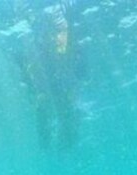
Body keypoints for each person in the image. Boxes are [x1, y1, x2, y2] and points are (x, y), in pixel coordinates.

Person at [14, 2, 85, 150]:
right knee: (49, 113)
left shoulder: (60, 47)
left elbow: (77, 70)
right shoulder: (41, 51)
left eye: (53, 33)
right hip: (50, 91)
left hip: (59, 91)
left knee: (63, 118)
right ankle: (56, 149)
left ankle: (64, 149)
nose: (51, 38)